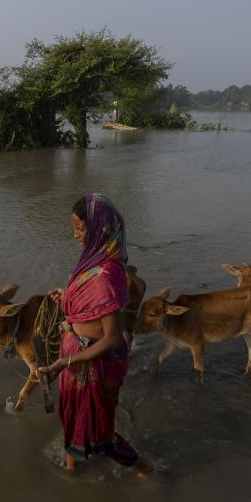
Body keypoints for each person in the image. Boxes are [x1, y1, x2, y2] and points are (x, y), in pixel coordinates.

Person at [38, 194, 152, 475]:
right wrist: (66, 296)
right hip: (77, 356)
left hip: (94, 362)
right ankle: (70, 470)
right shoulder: (91, 261)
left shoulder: (108, 275)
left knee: (101, 432)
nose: (75, 235)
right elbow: (89, 301)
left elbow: (112, 339)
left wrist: (64, 362)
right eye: (74, 228)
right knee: (72, 415)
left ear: (100, 229)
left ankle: (147, 470)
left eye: (80, 229)